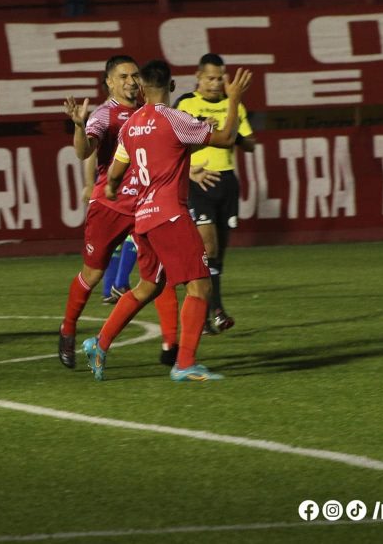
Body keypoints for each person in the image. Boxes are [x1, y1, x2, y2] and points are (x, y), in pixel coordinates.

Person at [82, 61, 252, 382]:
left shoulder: (130, 126)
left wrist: (114, 189)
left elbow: (114, 175)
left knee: (148, 286)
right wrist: (234, 99)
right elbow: (228, 137)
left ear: (141, 88)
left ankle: (99, 344)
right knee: (200, 286)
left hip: (143, 220)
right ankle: (185, 363)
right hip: (170, 215)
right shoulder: (176, 119)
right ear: (172, 87)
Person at [58, 56, 142, 368]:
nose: (131, 82)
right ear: (109, 82)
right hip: (110, 205)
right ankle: (68, 329)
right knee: (92, 274)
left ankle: (173, 349)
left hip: (145, 205)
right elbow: (84, 151)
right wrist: (79, 126)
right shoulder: (104, 115)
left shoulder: (147, 111)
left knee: (157, 277)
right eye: (123, 76)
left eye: (135, 76)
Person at [173, 53, 256, 333]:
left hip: (226, 183)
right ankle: (216, 309)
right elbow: (173, 141)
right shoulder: (186, 103)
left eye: (220, 78)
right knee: (207, 249)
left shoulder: (233, 104)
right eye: (210, 78)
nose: (216, 83)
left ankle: (207, 316)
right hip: (198, 183)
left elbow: (250, 143)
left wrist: (230, 132)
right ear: (198, 77)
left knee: (218, 254)